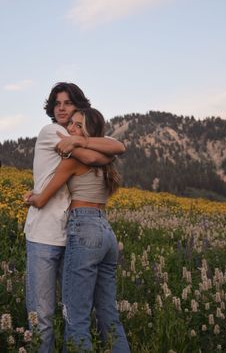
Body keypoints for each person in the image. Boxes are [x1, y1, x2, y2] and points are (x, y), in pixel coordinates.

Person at [24, 82, 125, 353]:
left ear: (78, 106)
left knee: (77, 314)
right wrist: (91, 146)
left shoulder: (73, 140)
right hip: (48, 234)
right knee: (46, 314)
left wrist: (80, 138)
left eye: (67, 103)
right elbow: (97, 155)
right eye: (57, 104)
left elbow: (114, 147)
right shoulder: (53, 131)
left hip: (75, 233)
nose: (61, 109)